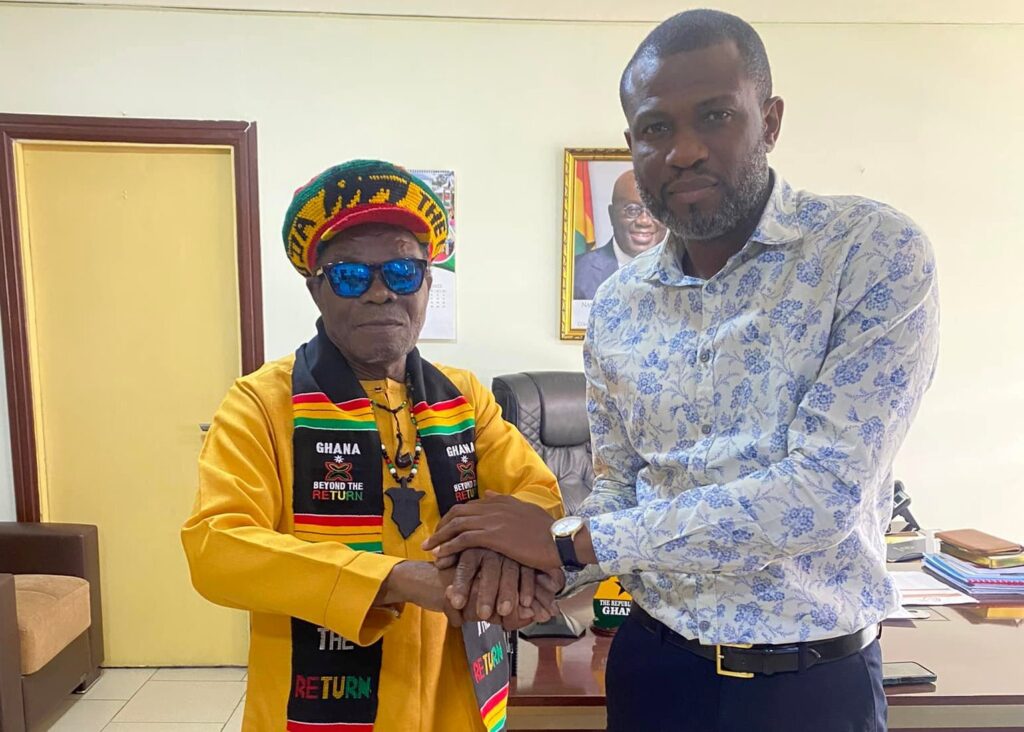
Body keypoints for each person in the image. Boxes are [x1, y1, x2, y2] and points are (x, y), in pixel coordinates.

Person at [425, 10, 939, 732]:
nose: (684, 150)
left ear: (770, 121)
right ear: (632, 144)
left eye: (716, 116)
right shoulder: (618, 305)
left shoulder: (869, 252)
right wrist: (523, 568)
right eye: (656, 128)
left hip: (809, 685)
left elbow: (819, 495)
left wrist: (568, 544)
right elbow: (619, 486)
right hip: (654, 670)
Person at [182, 160, 563, 732]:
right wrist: (396, 579)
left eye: (403, 272)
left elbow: (537, 496)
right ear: (317, 290)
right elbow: (218, 548)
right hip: (315, 705)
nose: (381, 293)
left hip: (455, 696)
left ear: (427, 285)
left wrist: (494, 559)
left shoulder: (464, 398)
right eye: (350, 276)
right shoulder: (262, 403)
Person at [573, 169, 667, 300]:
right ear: (612, 215)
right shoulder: (576, 272)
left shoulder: (685, 272)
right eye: (632, 210)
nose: (644, 221)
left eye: (654, 210)